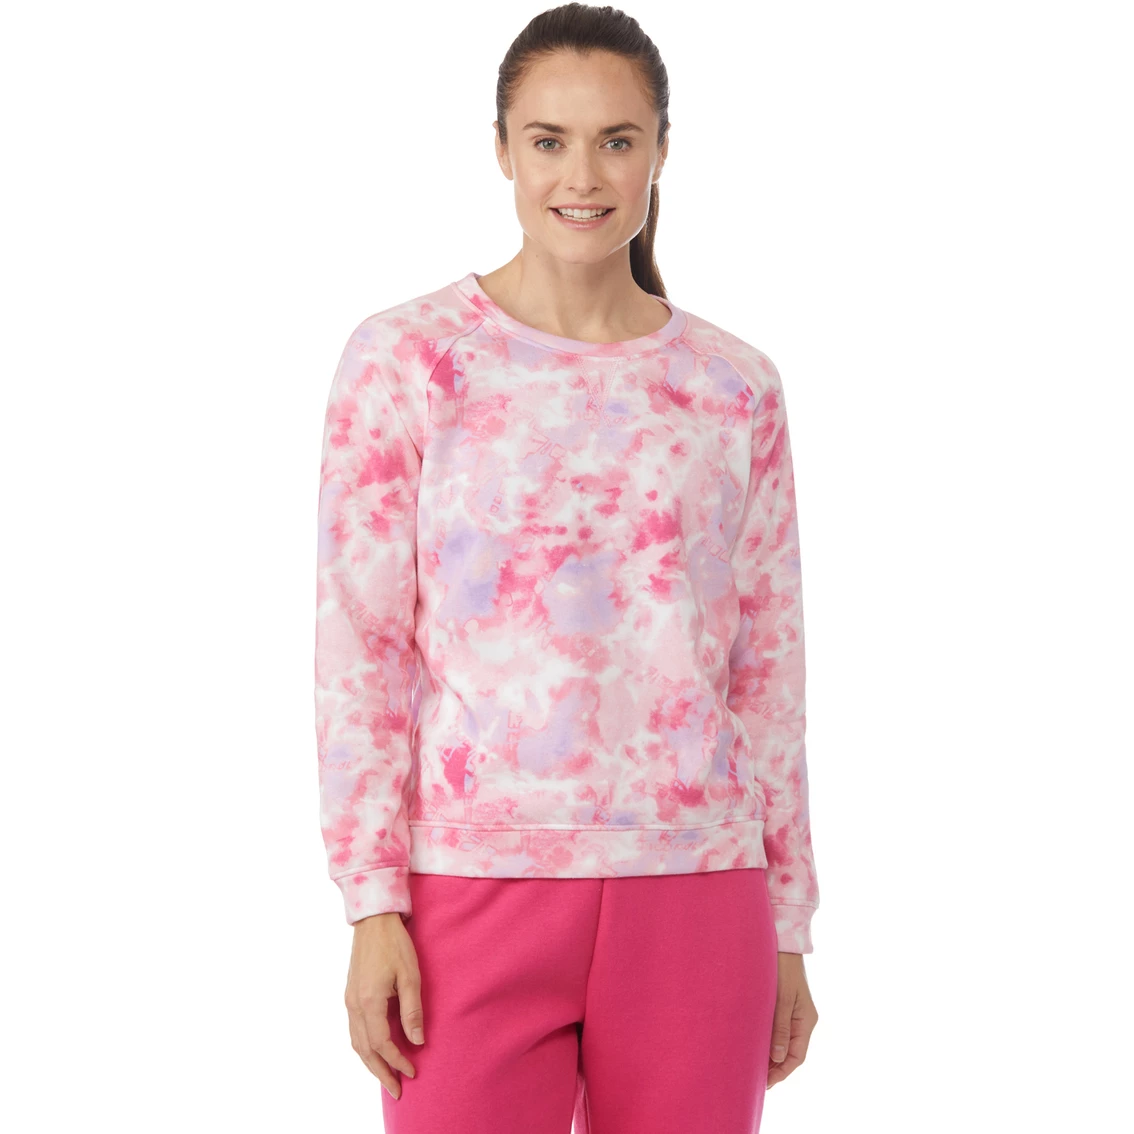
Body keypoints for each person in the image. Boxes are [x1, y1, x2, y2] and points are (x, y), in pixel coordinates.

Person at [314, 4, 819, 1131]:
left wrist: (789, 924)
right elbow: (361, 651)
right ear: (501, 149)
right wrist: (371, 901)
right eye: (548, 140)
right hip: (469, 888)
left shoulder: (734, 386)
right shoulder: (408, 361)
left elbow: (768, 675)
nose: (581, 176)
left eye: (616, 140)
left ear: (661, 151)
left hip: (699, 889)